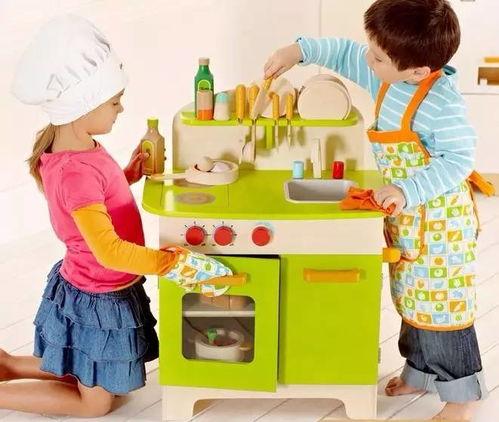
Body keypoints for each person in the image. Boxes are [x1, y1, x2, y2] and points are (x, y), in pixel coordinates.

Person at [263, 0, 488, 419]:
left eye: (378, 56)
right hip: (410, 218)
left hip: (440, 223)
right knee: (411, 301)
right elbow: (345, 53)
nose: (368, 58)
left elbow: (458, 160)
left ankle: (462, 399)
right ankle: (419, 374)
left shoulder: (441, 103)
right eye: (373, 48)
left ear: (418, 71)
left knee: (442, 311)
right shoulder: (388, 73)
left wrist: (406, 190)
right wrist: (298, 50)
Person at [2, 14, 230, 417]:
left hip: (96, 286)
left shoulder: (78, 148)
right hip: (98, 295)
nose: (120, 108)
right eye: (113, 101)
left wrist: (126, 175)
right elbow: (108, 250)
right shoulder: (76, 171)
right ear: (83, 104)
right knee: (97, 405)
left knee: (102, 379)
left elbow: (88, 206)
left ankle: (9, 365)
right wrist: (169, 263)